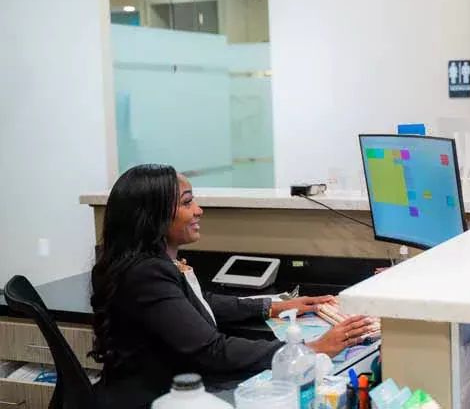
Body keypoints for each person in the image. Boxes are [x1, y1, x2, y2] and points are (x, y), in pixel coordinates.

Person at [90, 164, 376, 408]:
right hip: (156, 399)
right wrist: (308, 349)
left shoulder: (142, 265)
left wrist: (274, 306)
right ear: (154, 216)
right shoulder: (146, 274)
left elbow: (198, 302)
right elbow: (212, 350)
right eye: (187, 202)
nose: (199, 210)